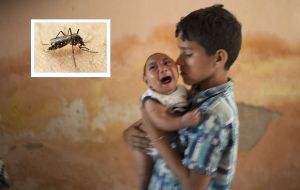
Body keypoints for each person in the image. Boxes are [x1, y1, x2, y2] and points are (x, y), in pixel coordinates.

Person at [124, 4, 241, 190]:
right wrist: (133, 133)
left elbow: (192, 186)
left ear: (218, 58)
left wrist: (156, 137)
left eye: (187, 53)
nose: (177, 62)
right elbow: (170, 123)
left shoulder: (213, 116)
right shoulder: (197, 92)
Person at [134, 52, 202, 190]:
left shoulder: (182, 91)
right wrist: (182, 122)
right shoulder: (151, 99)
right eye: (153, 67)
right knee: (144, 174)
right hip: (147, 145)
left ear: (176, 71)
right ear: (146, 80)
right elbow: (161, 120)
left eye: (167, 62)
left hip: (168, 142)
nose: (163, 68)